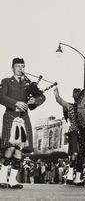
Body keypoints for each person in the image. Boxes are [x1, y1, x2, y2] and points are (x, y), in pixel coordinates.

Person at [0, 58, 46, 189]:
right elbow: (1, 96)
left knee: (19, 151)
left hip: (24, 118)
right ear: (12, 68)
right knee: (10, 148)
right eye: (18, 66)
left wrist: (34, 100)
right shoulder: (6, 82)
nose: (21, 69)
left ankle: (13, 180)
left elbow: (42, 97)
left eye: (23, 66)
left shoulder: (28, 84)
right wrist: (15, 103)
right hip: (11, 116)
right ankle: (2, 178)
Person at [53, 87, 85, 184]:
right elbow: (60, 101)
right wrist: (56, 95)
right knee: (74, 153)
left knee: (82, 154)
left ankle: (78, 178)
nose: (76, 95)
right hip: (74, 131)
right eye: (75, 93)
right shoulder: (70, 106)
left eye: (78, 94)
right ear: (73, 95)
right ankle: (70, 176)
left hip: (83, 132)